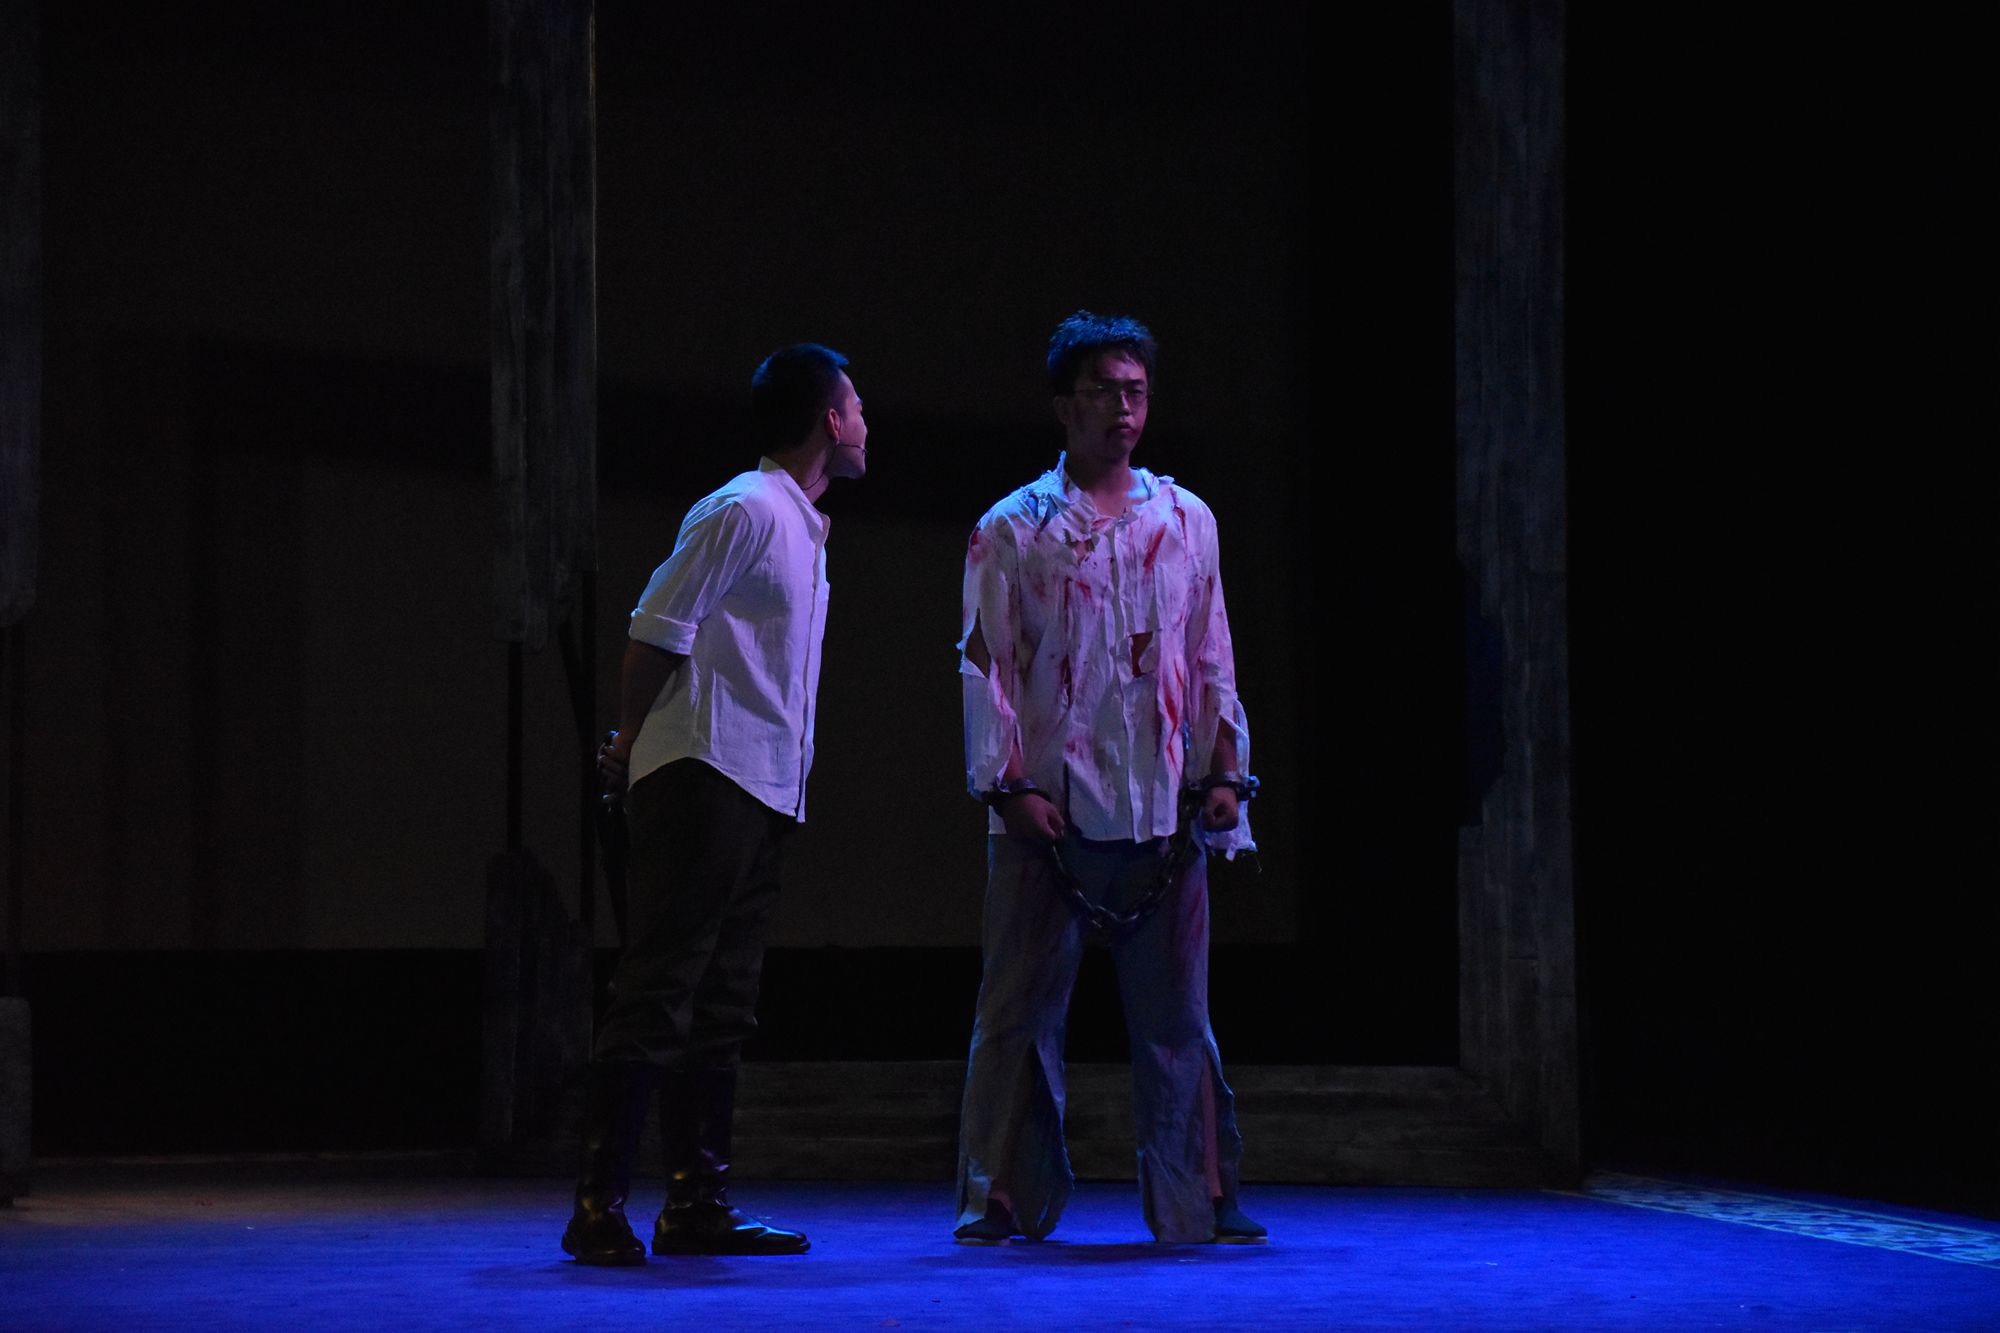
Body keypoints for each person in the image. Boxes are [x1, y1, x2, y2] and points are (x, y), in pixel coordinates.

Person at [952, 310, 1266, 1246]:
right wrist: (1009, 784)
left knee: (1177, 1019)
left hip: (1161, 804)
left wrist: (1225, 770)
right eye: (1103, 391)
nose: (1123, 409)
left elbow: (1209, 651)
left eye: (1136, 392)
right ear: (1065, 404)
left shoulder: (1185, 519)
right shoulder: (1014, 526)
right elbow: (987, 662)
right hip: (1047, 809)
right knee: (1017, 1010)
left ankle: (1201, 1190)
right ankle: (999, 1193)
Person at [562, 343, 868, 1265]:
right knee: (660, 985)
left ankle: (697, 1200)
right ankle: (597, 1204)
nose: (866, 423)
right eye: (857, 406)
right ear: (830, 419)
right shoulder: (745, 508)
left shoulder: (804, 532)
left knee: (724, 1000)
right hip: (703, 772)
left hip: (763, 787)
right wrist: (626, 746)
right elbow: (655, 630)